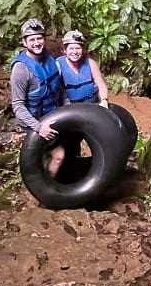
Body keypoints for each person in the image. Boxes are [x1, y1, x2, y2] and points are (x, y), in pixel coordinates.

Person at [9, 18, 66, 175]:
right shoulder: (21, 69)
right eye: (32, 39)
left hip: (51, 117)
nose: (36, 42)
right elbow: (18, 106)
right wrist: (38, 127)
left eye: (39, 38)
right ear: (24, 42)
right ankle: (39, 195)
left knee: (59, 155)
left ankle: (48, 191)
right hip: (32, 124)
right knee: (44, 160)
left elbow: (60, 89)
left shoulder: (49, 59)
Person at [56, 31, 110, 107]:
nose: (75, 52)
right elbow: (53, 90)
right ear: (65, 50)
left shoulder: (90, 63)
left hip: (92, 105)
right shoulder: (58, 65)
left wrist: (104, 100)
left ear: (83, 49)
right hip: (69, 108)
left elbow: (101, 84)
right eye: (71, 48)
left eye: (78, 48)